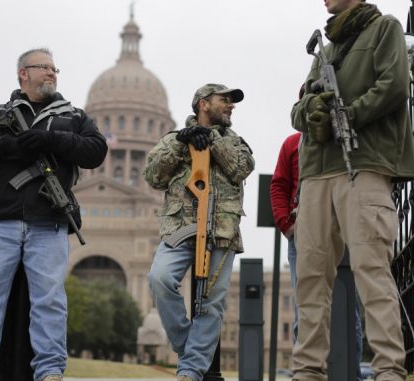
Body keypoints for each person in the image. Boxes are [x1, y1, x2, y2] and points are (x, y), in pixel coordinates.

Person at [0, 48, 107, 381]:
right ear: (23, 73)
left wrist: (51, 138)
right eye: (44, 67)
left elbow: (96, 150)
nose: (52, 73)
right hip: (0, 219)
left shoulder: (74, 117)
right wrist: (10, 146)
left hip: (49, 221)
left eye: (55, 68)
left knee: (50, 299)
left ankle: (50, 371)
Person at [290, 1, 414, 380]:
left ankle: (389, 371)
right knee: (310, 281)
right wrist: (313, 111)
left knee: (372, 272)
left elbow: (394, 85)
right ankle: (307, 371)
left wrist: (345, 117)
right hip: (315, 173)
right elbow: (297, 110)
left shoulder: (385, 29)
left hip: (364, 164)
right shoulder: (324, 50)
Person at [144, 83, 254, 381]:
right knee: (160, 279)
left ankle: (190, 371)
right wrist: (183, 142)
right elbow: (153, 175)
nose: (231, 105)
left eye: (232, 101)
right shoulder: (173, 140)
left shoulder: (236, 142)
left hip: (220, 230)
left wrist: (212, 140)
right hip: (180, 227)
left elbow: (240, 169)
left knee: (211, 303)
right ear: (204, 104)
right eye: (224, 100)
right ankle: (189, 345)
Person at [270, 131, 364, 381]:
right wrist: (287, 225)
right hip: (303, 232)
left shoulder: (347, 134)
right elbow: (279, 184)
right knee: (306, 307)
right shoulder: (292, 143)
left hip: (344, 229)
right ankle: (307, 372)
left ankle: (351, 375)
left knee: (349, 311)